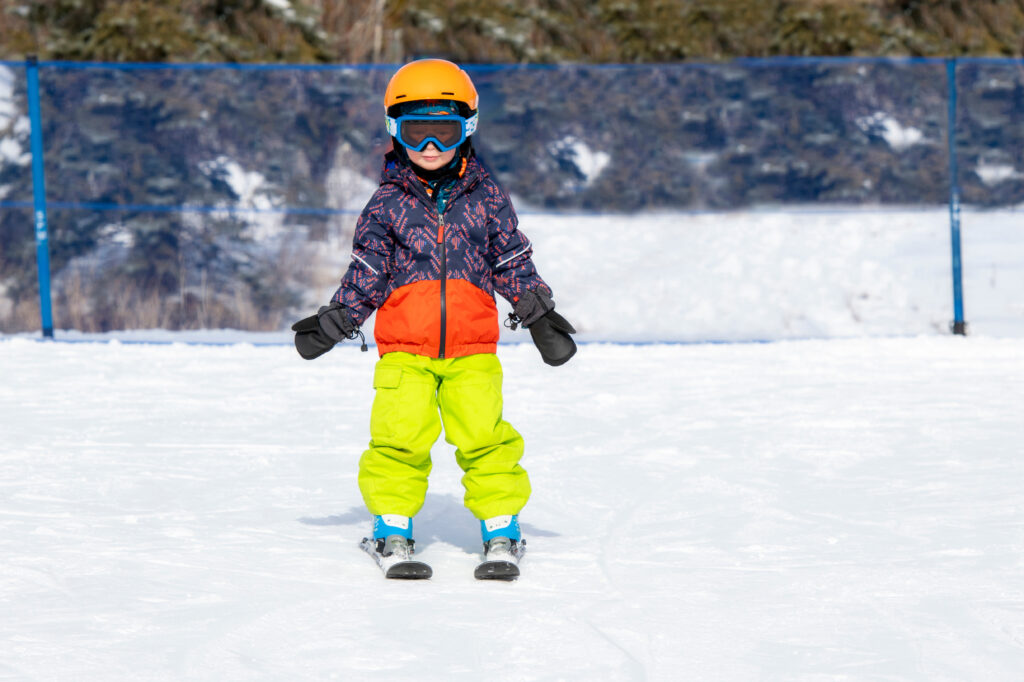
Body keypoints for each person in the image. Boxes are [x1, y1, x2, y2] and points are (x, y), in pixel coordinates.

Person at [291, 58, 577, 579]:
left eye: (440, 132)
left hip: (473, 353)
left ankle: (501, 528)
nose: (428, 147)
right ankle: (392, 529)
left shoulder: (488, 199)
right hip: (405, 354)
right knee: (398, 441)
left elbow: (511, 259)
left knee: (486, 439)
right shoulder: (385, 206)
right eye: (414, 131)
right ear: (393, 131)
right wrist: (336, 320)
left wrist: (538, 313)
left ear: (466, 128)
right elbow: (367, 272)